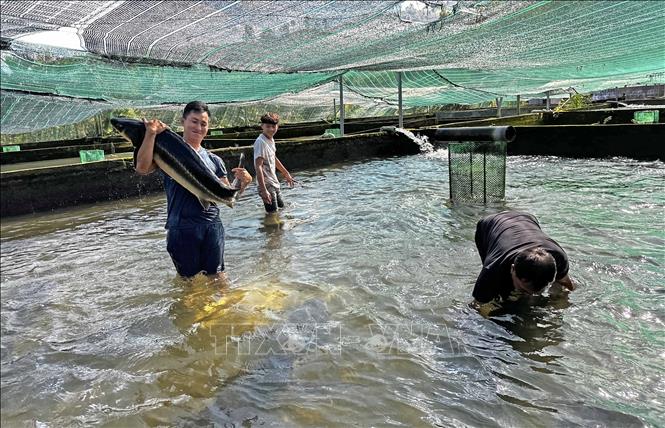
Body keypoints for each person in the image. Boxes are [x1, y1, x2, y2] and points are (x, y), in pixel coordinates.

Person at [135, 101, 252, 280]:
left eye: (203, 123)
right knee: (188, 283)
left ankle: (225, 308)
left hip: (211, 225)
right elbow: (142, 168)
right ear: (183, 121)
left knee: (219, 277)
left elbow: (229, 196)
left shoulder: (214, 160)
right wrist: (150, 134)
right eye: (194, 121)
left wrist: (244, 183)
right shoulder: (167, 150)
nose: (198, 127)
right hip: (181, 228)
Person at [472, 211, 575, 305]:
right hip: (488, 225)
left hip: (527, 218)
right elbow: (477, 305)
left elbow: (565, 283)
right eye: (524, 289)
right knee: (495, 291)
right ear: (512, 269)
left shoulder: (558, 258)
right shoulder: (493, 268)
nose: (531, 295)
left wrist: (560, 305)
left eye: (539, 291)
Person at [253, 113, 295, 213]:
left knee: (282, 209)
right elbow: (258, 166)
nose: (271, 129)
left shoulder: (270, 139)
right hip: (266, 184)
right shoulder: (260, 142)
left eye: (273, 126)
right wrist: (263, 190)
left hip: (274, 181)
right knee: (272, 214)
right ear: (262, 126)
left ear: (277, 126)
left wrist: (286, 174)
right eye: (268, 126)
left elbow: (273, 158)